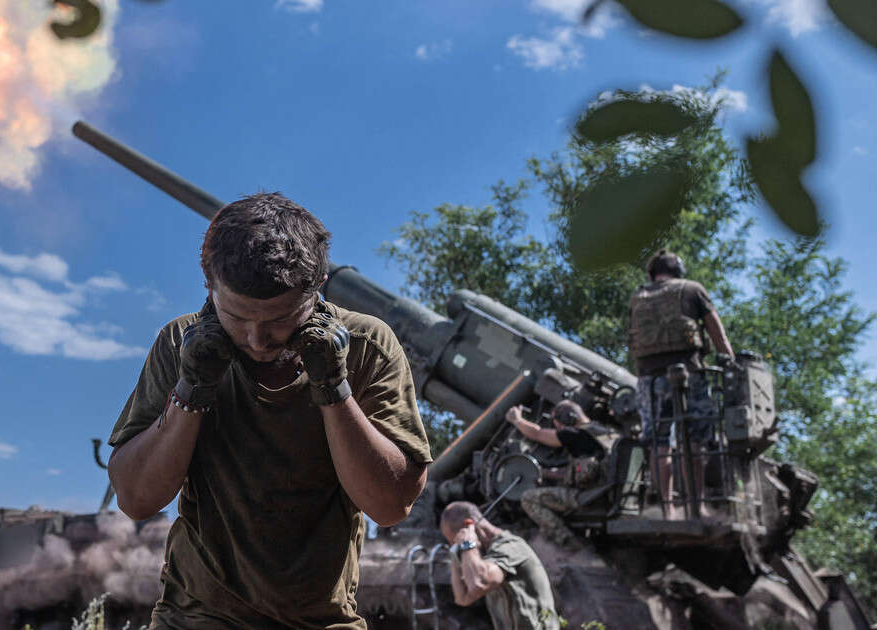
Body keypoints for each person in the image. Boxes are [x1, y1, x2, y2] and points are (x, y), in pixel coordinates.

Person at [107, 192, 433, 629]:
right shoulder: (180, 342)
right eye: (237, 318)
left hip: (321, 620)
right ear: (209, 286)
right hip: (195, 619)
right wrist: (191, 389)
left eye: (280, 320)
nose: (257, 339)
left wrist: (333, 387)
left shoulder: (366, 347)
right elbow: (136, 499)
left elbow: (390, 505)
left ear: (317, 288)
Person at [627, 249, 734, 519]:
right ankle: (696, 505)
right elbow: (715, 329)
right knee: (695, 441)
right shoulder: (692, 289)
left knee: (659, 443)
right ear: (679, 271)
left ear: (652, 274)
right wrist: (729, 360)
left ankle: (668, 508)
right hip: (689, 375)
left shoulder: (638, 296)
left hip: (649, 380)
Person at [507, 401, 613, 551]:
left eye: (558, 425)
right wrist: (546, 473)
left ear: (568, 418)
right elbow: (580, 471)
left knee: (528, 498)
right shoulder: (603, 432)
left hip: (592, 497)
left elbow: (537, 434)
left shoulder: (574, 434)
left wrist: (517, 420)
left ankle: (568, 542)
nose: (559, 429)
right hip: (608, 492)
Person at [439, 501, 559, 630]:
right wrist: (454, 553)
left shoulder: (511, 547)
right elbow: (462, 598)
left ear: (470, 525)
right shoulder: (486, 556)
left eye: (457, 542)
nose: (460, 548)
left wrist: (468, 545)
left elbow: (479, 582)